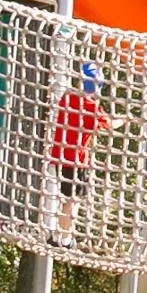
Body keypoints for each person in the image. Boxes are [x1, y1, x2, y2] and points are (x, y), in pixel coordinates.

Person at [50, 60, 114, 240]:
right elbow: (110, 125)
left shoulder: (67, 98)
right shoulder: (92, 108)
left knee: (66, 198)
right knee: (73, 200)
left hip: (59, 156)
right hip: (76, 161)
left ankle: (58, 235)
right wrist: (126, 119)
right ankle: (64, 238)